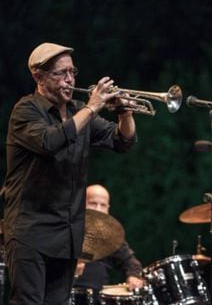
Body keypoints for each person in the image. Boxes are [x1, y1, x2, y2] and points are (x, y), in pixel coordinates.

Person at [2, 42, 137, 304]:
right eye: (60, 73)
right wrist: (93, 107)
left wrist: (125, 112)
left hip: (67, 236)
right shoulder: (26, 110)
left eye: (72, 72)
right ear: (39, 77)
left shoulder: (77, 110)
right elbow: (49, 142)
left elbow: (122, 141)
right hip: (31, 231)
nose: (70, 79)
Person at [73, 184, 145, 303]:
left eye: (103, 205)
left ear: (108, 209)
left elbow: (129, 262)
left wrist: (134, 276)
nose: (98, 209)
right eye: (92, 203)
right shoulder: (66, 232)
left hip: (98, 299)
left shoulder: (109, 236)